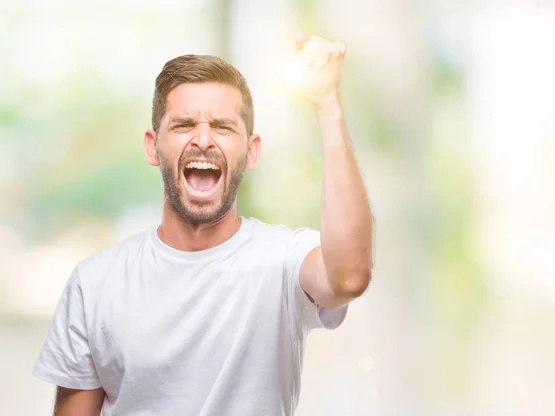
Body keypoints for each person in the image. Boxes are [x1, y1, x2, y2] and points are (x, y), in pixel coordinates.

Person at [33, 34, 373, 416]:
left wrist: (328, 105)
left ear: (252, 151)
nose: (204, 139)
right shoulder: (95, 284)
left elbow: (348, 279)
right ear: (152, 146)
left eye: (224, 127)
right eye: (183, 124)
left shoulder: (284, 263)